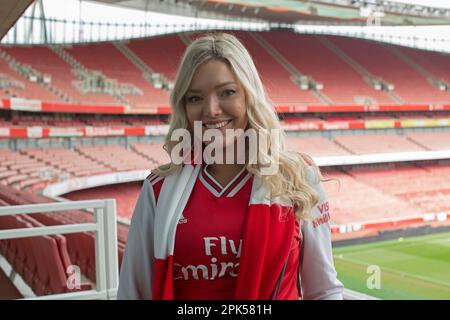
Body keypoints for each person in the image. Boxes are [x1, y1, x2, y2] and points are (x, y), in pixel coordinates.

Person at [117, 32, 344, 300]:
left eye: (227, 92)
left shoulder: (297, 177)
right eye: (195, 98)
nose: (211, 110)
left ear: (249, 96)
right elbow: (134, 293)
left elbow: (324, 290)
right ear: (184, 108)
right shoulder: (158, 189)